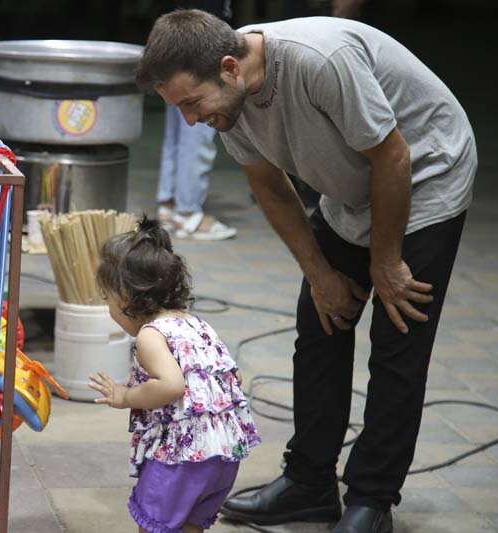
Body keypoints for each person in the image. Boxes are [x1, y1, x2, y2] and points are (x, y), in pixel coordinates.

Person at [135, 9, 475, 533]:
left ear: (228, 68)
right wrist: (319, 273)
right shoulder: (229, 105)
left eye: (191, 103)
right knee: (321, 323)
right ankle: (309, 483)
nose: (189, 120)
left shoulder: (320, 60)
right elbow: (270, 187)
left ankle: (371, 498)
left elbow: (393, 156)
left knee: (398, 335)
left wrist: (385, 263)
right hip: (353, 189)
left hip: (426, 173)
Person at [88, 216, 261, 533]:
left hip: (182, 456)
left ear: (127, 298)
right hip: (222, 453)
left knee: (156, 525)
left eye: (107, 300)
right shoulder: (194, 323)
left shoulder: (150, 336)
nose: (108, 309)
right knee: (190, 524)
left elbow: (172, 386)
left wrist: (126, 396)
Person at [156, 1, 237, 241]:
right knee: (197, 129)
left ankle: (169, 205)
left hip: (177, 36)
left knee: (178, 131)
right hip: (201, 40)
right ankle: (188, 212)